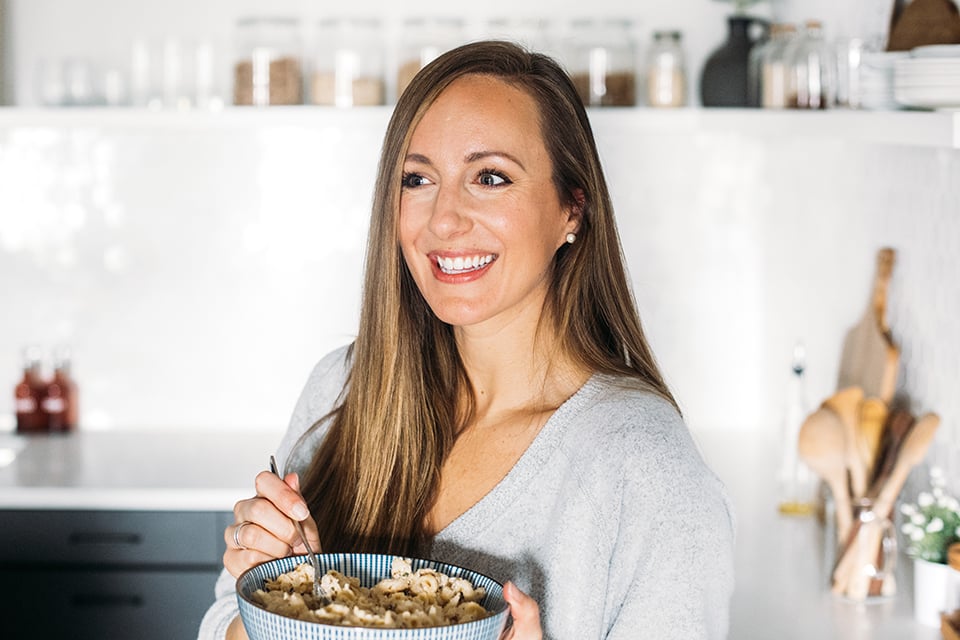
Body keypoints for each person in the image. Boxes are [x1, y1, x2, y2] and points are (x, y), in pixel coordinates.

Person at [198, 40, 734, 640]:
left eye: (490, 177)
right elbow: (223, 621)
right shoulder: (342, 388)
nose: (444, 220)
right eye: (417, 179)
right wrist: (281, 597)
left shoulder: (652, 474)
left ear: (572, 209)